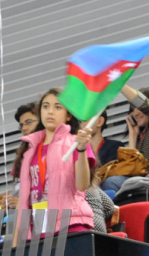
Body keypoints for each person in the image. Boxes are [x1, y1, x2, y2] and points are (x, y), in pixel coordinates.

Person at [13, 88, 95, 242]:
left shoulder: (75, 142)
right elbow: (23, 199)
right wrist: (16, 241)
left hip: (71, 226)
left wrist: (82, 149)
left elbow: (82, 185)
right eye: (45, 106)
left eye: (58, 107)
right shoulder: (29, 149)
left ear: (68, 115)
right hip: (38, 233)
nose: (50, 111)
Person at [0, 102, 39, 209]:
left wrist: (23, 202)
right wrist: (9, 200)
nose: (24, 128)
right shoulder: (24, 153)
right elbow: (20, 189)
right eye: (21, 125)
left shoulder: (52, 148)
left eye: (29, 122)